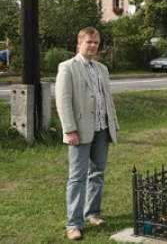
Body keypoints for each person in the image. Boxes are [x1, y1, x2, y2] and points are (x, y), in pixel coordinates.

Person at [55, 27, 119, 241]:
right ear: (79, 43)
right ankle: (74, 224)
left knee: (97, 173)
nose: (93, 46)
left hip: (102, 129)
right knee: (77, 178)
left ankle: (92, 213)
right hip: (80, 131)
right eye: (89, 42)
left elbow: (107, 99)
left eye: (96, 42)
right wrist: (69, 129)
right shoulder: (67, 68)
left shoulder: (102, 69)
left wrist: (114, 124)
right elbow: (63, 102)